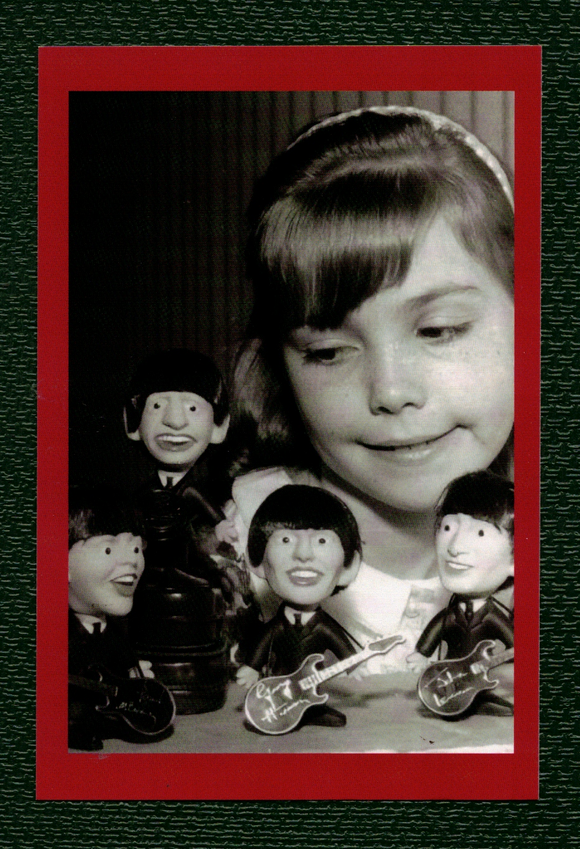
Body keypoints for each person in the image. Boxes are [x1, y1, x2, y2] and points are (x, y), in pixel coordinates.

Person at [226, 106, 514, 671]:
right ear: (280, 366)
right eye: (327, 351)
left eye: (439, 330)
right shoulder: (240, 547)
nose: (390, 392)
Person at [236, 485, 361, 727]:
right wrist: (252, 667)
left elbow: (340, 644)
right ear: (257, 560)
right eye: (285, 540)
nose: (304, 554)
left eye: (322, 541)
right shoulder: (276, 627)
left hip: (311, 693)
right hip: (277, 694)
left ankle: (312, 711)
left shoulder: (324, 626)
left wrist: (353, 664)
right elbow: (263, 643)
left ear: (349, 568)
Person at [407, 470, 514, 713]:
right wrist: (422, 654)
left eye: (480, 533)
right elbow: (436, 628)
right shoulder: (451, 614)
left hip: (479, 683)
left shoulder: (493, 616)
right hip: (445, 682)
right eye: (447, 528)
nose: (454, 548)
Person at [68, 485, 150, 750]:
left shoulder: (115, 632)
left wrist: (134, 674)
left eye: (136, 549)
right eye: (108, 550)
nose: (132, 563)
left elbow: (122, 659)